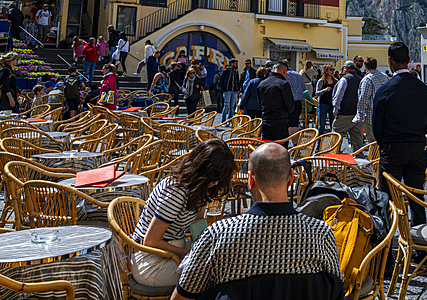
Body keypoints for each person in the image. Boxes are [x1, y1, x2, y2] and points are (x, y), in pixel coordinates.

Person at [171, 143, 342, 300]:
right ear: (290, 178)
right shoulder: (321, 233)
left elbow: (182, 296)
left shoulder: (218, 234)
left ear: (250, 180)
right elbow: (337, 291)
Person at [133, 139, 236, 289]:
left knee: (224, 258)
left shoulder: (199, 187)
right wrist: (188, 254)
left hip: (173, 248)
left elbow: (197, 224)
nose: (215, 183)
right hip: (151, 261)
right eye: (213, 178)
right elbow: (150, 241)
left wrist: (204, 246)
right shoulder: (176, 191)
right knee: (214, 275)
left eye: (220, 180)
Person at [373, 41, 427, 226]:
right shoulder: (423, 89)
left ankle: (385, 250)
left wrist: (385, 145)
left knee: (387, 200)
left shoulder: (385, 90)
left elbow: (377, 125)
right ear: (408, 60)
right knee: (417, 198)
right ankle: (420, 248)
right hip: (417, 147)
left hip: (393, 148)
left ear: (389, 61)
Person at [354, 57, 390, 145]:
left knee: (373, 142)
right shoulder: (385, 77)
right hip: (385, 115)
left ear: (365, 67)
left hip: (371, 116)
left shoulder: (367, 79)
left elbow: (363, 98)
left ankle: (375, 158)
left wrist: (361, 114)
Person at [257, 60, 295, 142]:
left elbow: (260, 104)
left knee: (266, 150)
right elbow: (290, 106)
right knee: (280, 151)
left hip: (266, 121)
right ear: (284, 71)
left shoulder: (262, 84)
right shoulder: (283, 84)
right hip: (280, 122)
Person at [332, 61, 364, 152]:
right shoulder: (360, 79)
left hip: (345, 112)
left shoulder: (345, 79)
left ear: (345, 69)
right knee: (357, 136)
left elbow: (338, 96)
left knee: (337, 132)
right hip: (356, 112)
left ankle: (334, 154)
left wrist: (336, 109)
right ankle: (359, 157)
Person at [315, 65, 337, 134]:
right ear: (326, 71)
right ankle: (319, 143)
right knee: (322, 125)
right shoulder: (321, 81)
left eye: (333, 69)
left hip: (332, 105)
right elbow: (317, 93)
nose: (333, 71)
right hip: (323, 104)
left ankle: (332, 143)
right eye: (331, 70)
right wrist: (324, 90)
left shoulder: (335, 81)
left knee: (333, 125)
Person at [285, 65, 305, 135]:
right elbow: (304, 89)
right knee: (295, 123)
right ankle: (295, 143)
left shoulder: (284, 75)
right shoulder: (298, 75)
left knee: (286, 123)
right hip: (297, 102)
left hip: (287, 102)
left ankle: (285, 141)